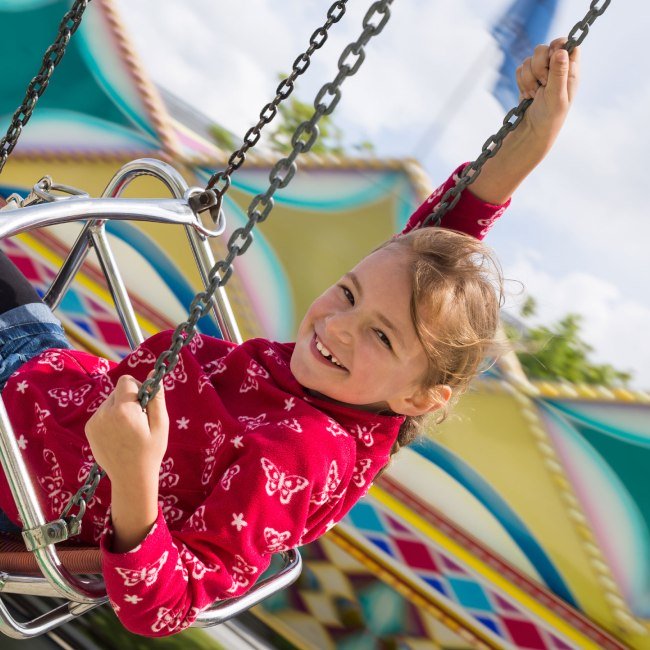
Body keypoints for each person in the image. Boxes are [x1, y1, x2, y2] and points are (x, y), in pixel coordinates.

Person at [0, 40, 578, 636]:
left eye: (380, 336)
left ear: (420, 398)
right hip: (39, 367)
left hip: (17, 470)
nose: (340, 326)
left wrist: (134, 478)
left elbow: (167, 605)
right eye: (349, 293)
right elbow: (429, 246)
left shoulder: (301, 458)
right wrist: (529, 141)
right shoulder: (355, 391)